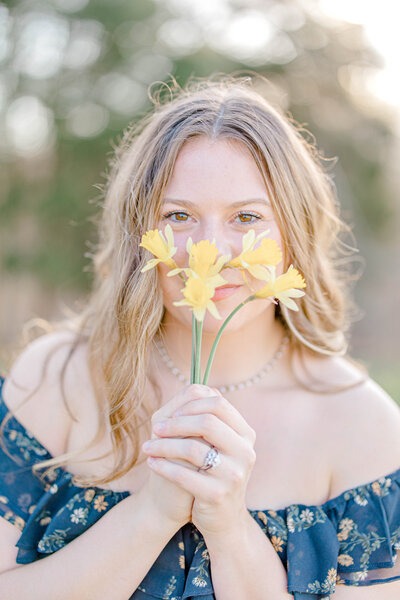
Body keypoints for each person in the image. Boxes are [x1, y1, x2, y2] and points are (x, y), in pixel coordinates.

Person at [0, 74, 400, 600]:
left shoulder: (364, 426)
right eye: (179, 216)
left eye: (248, 217)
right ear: (139, 234)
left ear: (294, 238)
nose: (210, 250)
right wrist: (152, 513)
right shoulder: (52, 378)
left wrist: (229, 524)